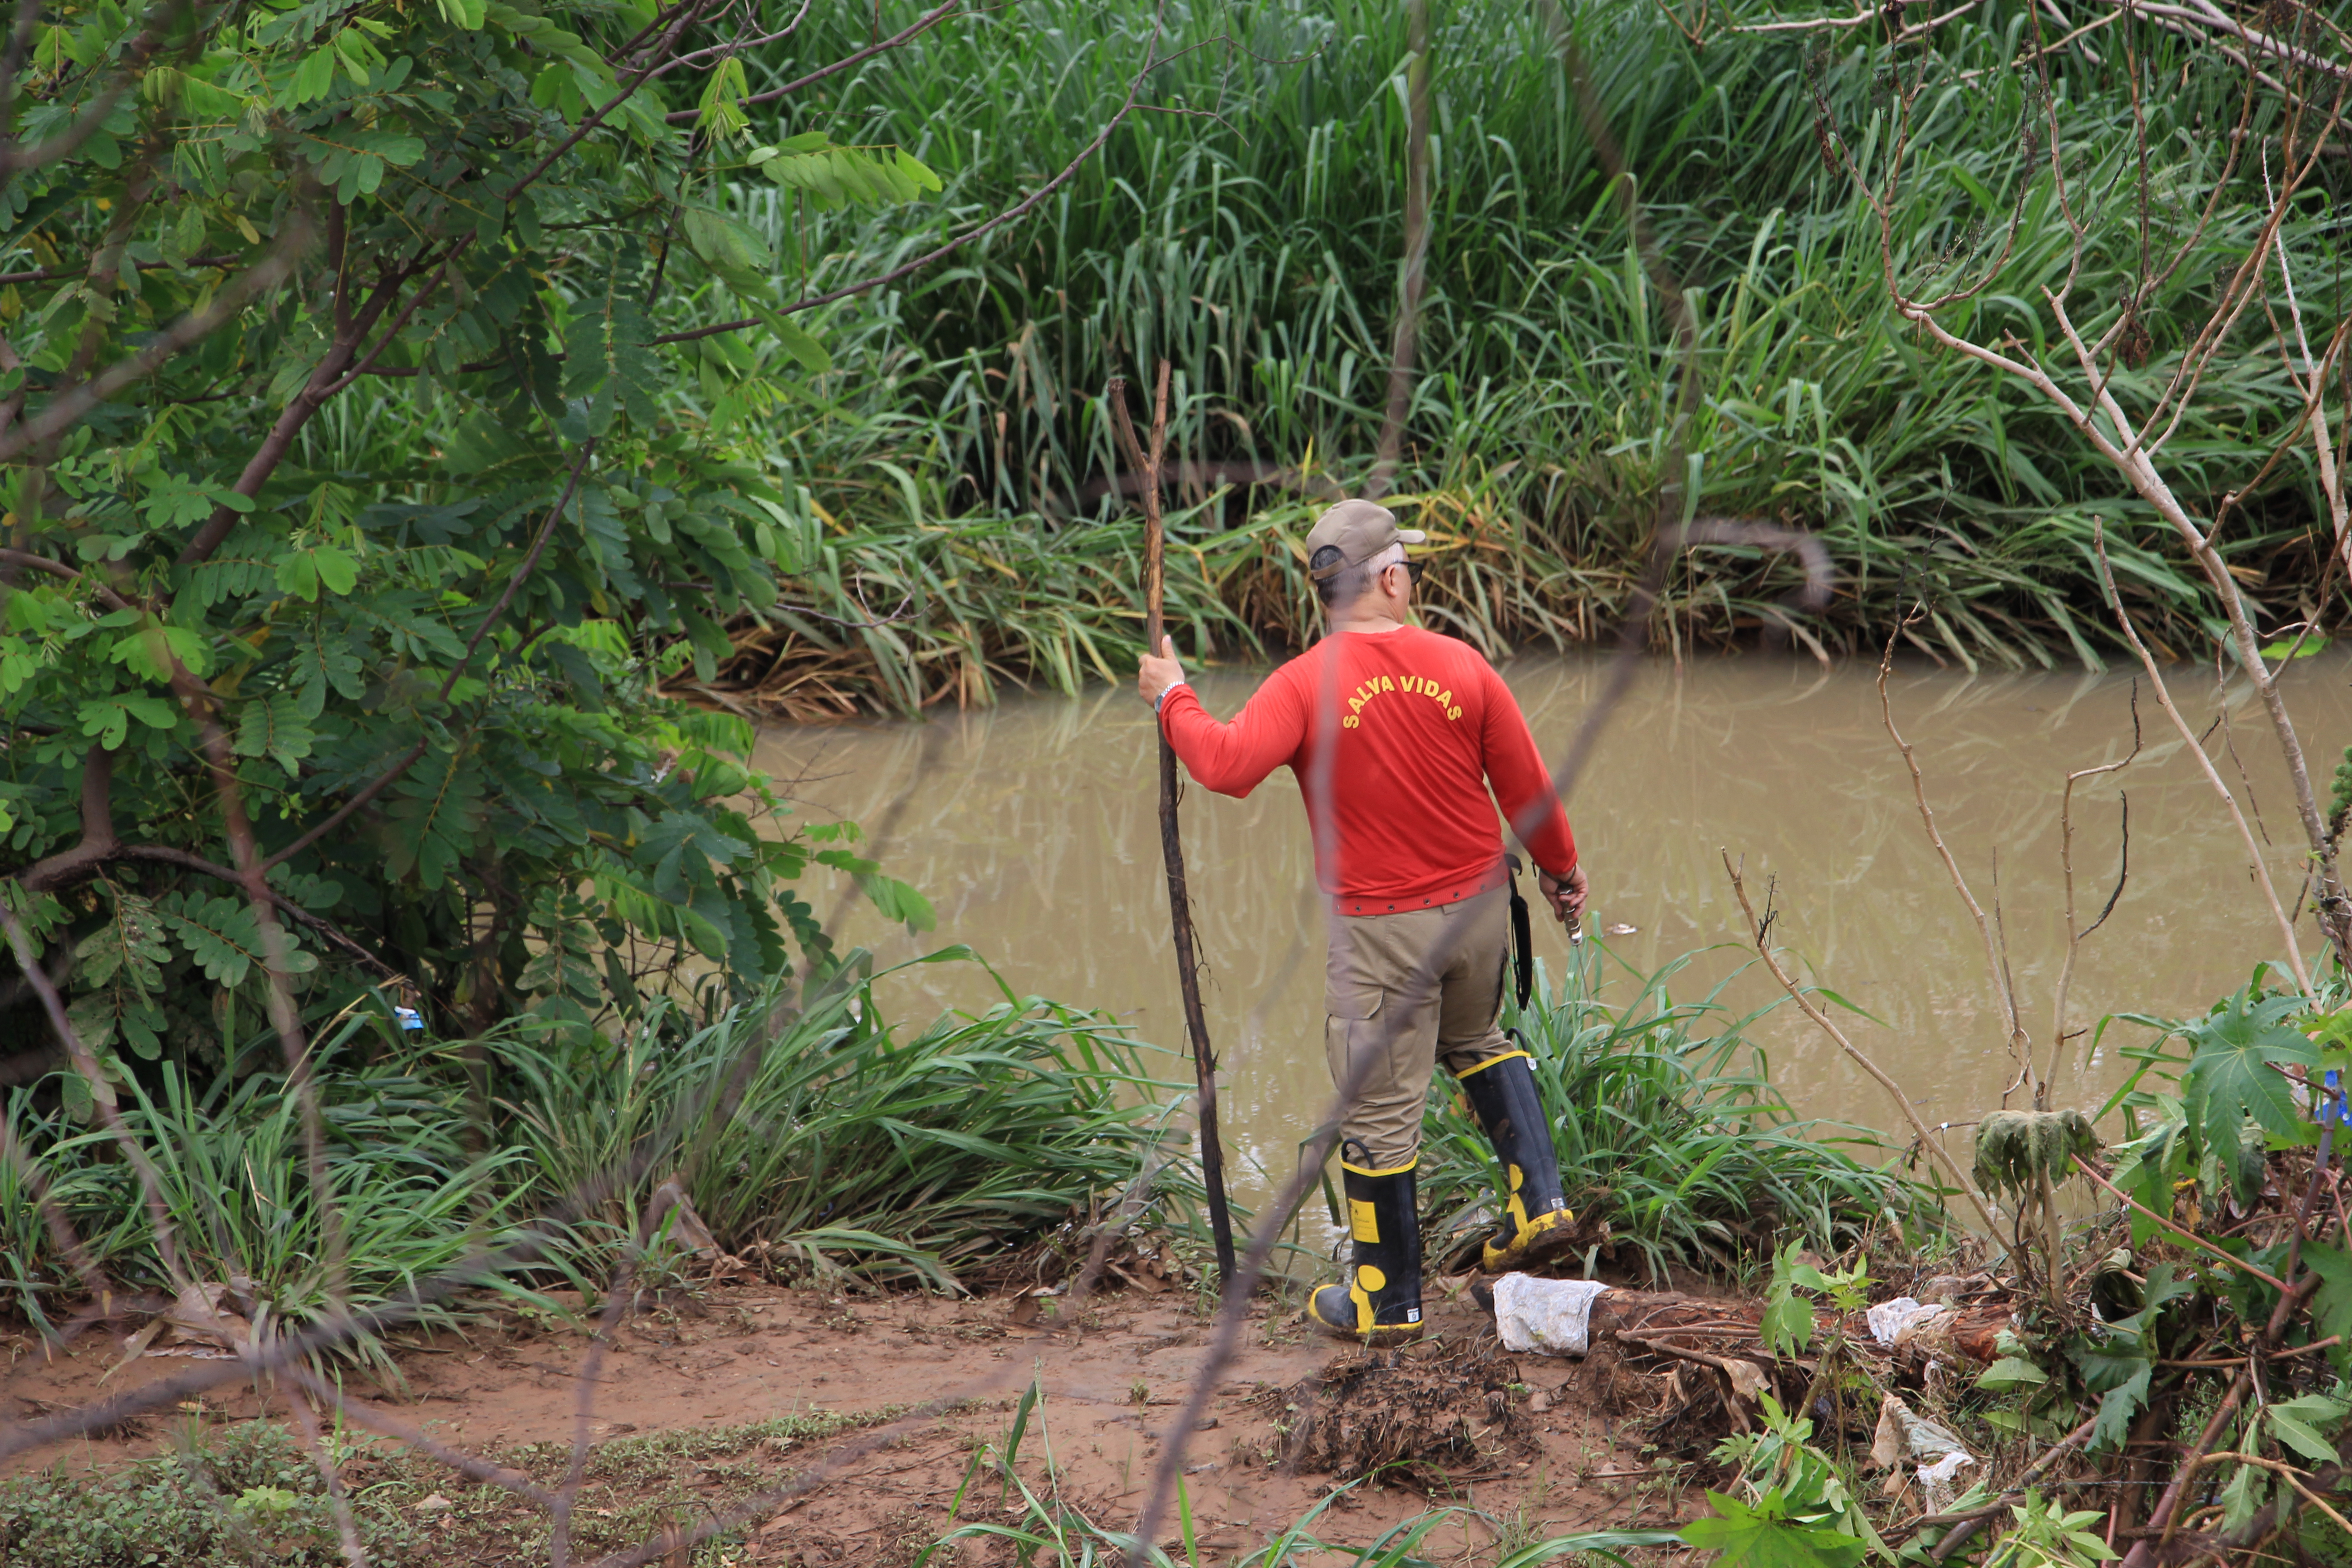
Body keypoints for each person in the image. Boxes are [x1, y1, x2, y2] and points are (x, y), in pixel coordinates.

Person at [1135, 498, 1588, 1344]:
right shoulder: (1462, 666)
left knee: (1379, 1111)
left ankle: (1387, 1299)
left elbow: (1226, 765)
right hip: (1481, 914)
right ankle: (1541, 1203)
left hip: (1383, 936)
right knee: (1479, 1038)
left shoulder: (1305, 682)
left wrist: (1174, 698)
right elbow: (1529, 796)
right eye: (1406, 566)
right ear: (1387, 578)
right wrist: (1563, 877)